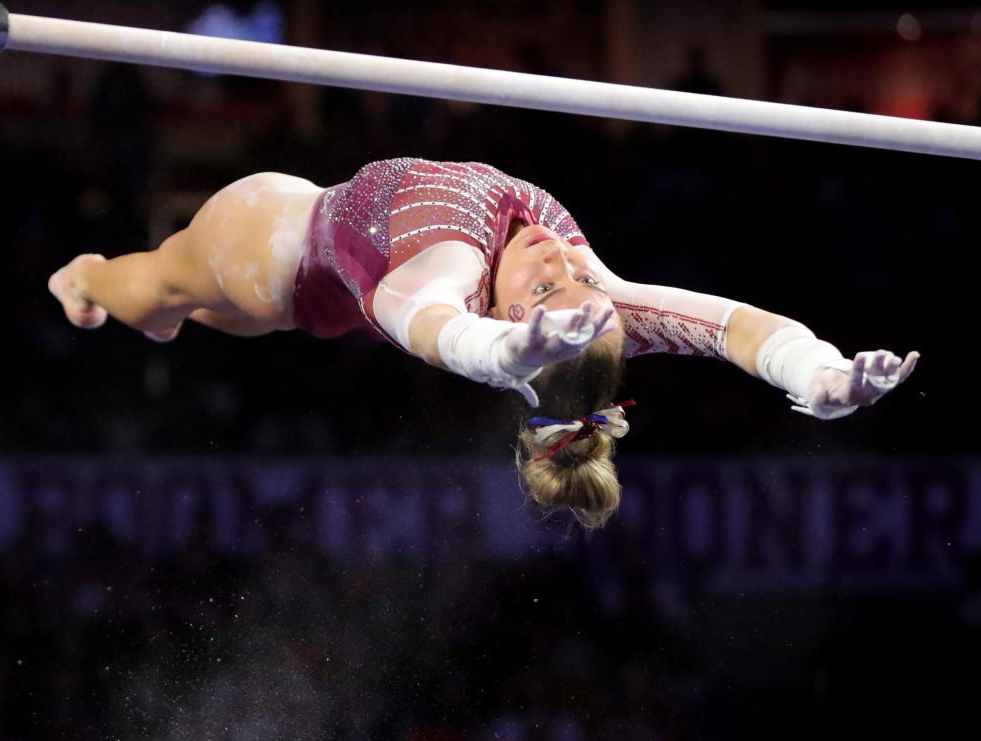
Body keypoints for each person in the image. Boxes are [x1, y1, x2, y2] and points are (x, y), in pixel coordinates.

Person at [48, 158, 919, 527]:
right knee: (205, 319)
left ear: (507, 324)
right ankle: (177, 320)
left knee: (149, 286)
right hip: (326, 297)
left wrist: (513, 354)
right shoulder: (591, 298)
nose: (561, 262)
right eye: (574, 285)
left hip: (273, 249)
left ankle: (83, 281)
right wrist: (824, 375)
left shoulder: (444, 279)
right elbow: (732, 327)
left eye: (544, 292)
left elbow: (442, 333)